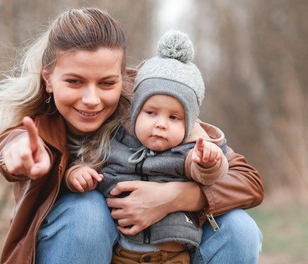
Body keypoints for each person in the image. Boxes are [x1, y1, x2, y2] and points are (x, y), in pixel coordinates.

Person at [0, 7, 264, 264]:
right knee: (87, 212)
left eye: (106, 83)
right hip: (84, 248)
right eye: (74, 82)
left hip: (169, 248)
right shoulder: (38, 128)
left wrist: (175, 197)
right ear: (48, 79)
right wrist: (16, 150)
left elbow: (248, 181)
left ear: (123, 78)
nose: (91, 99)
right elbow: (13, 142)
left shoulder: (152, 108)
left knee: (240, 229)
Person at [65, 30, 229, 263]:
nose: (161, 124)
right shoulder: (114, 141)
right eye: (151, 113)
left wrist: (209, 162)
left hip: (174, 255)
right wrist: (77, 174)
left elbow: (208, 174)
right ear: (135, 112)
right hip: (121, 253)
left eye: (174, 118)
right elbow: (84, 160)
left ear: (190, 123)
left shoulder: (189, 150)